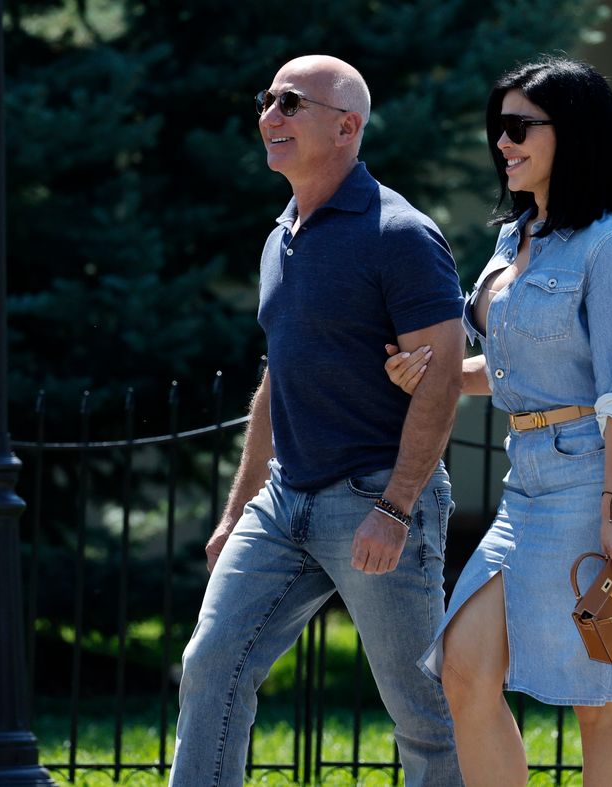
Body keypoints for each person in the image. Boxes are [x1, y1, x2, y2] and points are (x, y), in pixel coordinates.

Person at [169, 55, 465, 786]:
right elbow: (278, 377)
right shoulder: (283, 235)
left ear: (346, 127)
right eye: (267, 98)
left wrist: (395, 508)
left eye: (290, 102)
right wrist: (239, 509)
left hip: (374, 499)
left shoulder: (400, 234)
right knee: (211, 667)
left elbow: (441, 381)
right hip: (282, 500)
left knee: (423, 708)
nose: (270, 114)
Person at [385, 56, 612, 786]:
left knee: (598, 699)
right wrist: (434, 375)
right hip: (527, 488)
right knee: (465, 671)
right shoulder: (513, 241)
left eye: (518, 127)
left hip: (598, 487)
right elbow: (510, 372)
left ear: (571, 133)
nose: (501, 143)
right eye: (496, 129)